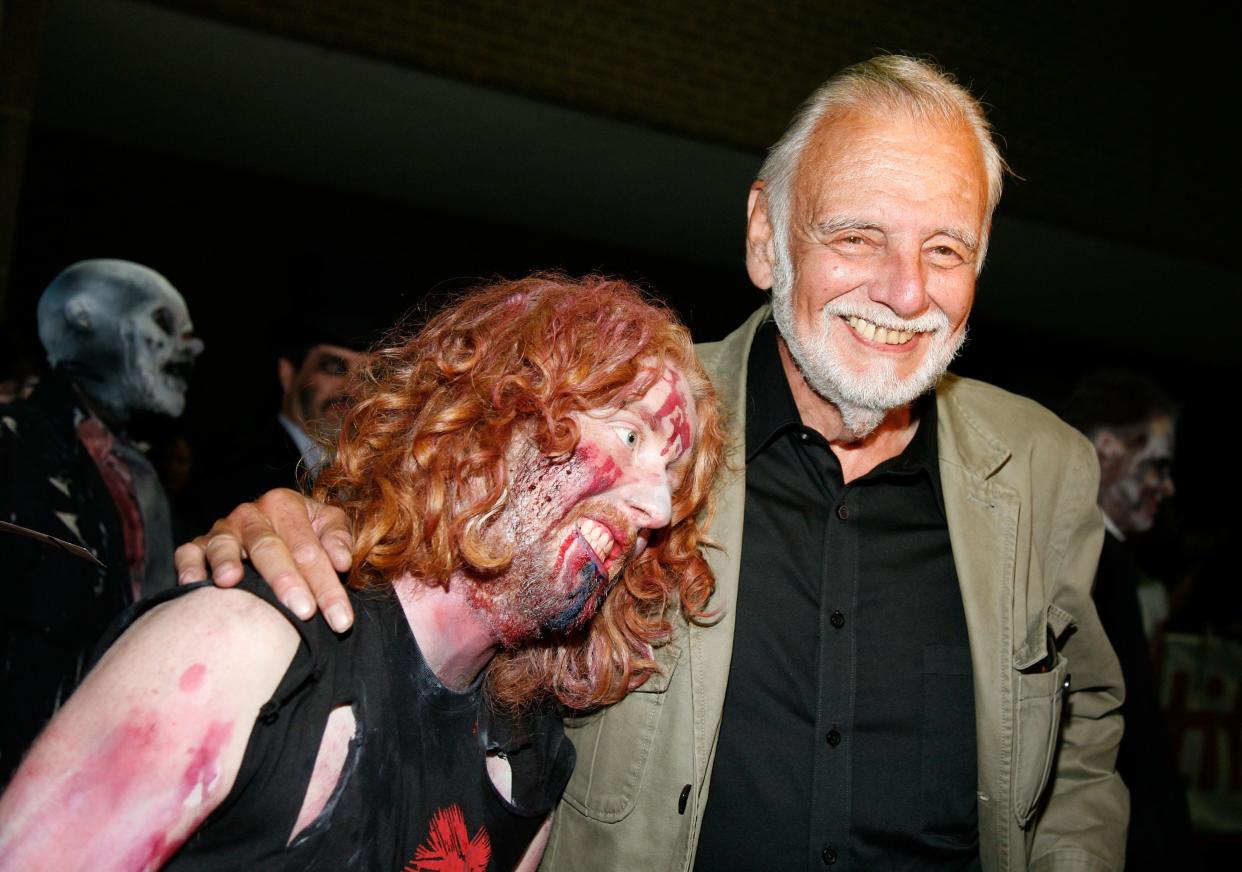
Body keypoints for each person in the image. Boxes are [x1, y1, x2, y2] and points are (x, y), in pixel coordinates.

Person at [181, 56, 1127, 869]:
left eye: (945, 248)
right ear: (767, 237)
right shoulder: (617, 429)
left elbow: (1081, 735)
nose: (905, 290)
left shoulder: (1045, 471)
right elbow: (436, 572)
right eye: (856, 235)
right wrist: (312, 532)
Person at [0, 275, 724, 871]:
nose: (656, 505)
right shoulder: (244, 652)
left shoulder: (526, 760)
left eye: (670, 476)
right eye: (629, 436)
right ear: (492, 418)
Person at [0, 259, 203, 785]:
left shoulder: (137, 471)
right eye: (162, 322)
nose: (190, 346)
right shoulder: (17, 447)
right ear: (83, 320)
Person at [1062, 370, 1195, 870]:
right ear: (1108, 450)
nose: (1166, 486)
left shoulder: (1104, 558)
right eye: (1157, 466)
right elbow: (1130, 732)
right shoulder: (1098, 562)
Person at [201, 316, 372, 520]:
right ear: (288, 374)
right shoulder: (236, 469)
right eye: (334, 368)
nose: (352, 389)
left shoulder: (375, 476)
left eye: (368, 377)